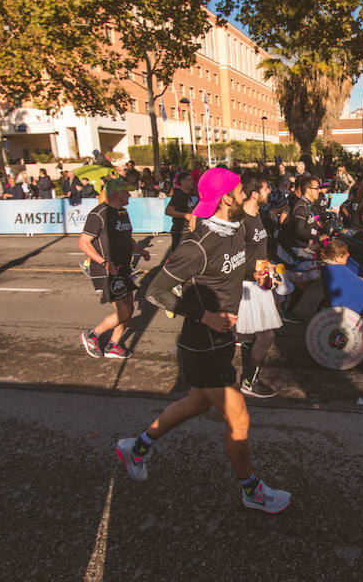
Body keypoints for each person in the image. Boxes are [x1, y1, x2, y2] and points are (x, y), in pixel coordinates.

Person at [116, 167, 291, 513]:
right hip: (203, 344)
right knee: (238, 420)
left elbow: (232, 268)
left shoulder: (237, 229)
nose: (246, 193)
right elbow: (156, 292)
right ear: (227, 198)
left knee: (197, 403)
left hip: (222, 340)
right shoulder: (197, 246)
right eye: (241, 190)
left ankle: (136, 447)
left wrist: (257, 274)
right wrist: (206, 316)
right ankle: (251, 489)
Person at [78, 178, 150, 359]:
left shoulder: (122, 212)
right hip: (107, 270)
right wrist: (103, 262)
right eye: (127, 192)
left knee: (130, 309)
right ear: (117, 193)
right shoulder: (99, 214)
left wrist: (139, 250)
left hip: (123, 269)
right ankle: (91, 335)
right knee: (123, 311)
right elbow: (83, 243)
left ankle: (113, 345)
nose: (130, 195)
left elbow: (127, 236)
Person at [235, 174, 279, 399]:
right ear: (254, 194)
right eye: (266, 188)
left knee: (251, 338)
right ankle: (249, 381)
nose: (269, 191)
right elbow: (233, 259)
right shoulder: (241, 221)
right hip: (246, 287)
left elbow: (255, 253)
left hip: (258, 283)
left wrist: (268, 266)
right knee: (265, 336)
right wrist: (252, 272)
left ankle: (248, 378)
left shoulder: (258, 216)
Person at [278, 176, 324, 323]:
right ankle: (287, 310)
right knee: (301, 282)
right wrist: (317, 238)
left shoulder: (308, 205)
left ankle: (287, 306)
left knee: (306, 281)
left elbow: (311, 225)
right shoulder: (300, 206)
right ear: (308, 190)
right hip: (294, 250)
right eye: (316, 188)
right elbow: (298, 230)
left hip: (302, 249)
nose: (319, 191)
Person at [165, 172, 197, 252]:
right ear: (182, 182)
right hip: (180, 231)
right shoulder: (178, 195)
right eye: (189, 180)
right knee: (178, 255)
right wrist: (185, 215)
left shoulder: (188, 195)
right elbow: (168, 211)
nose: (191, 182)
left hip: (188, 231)